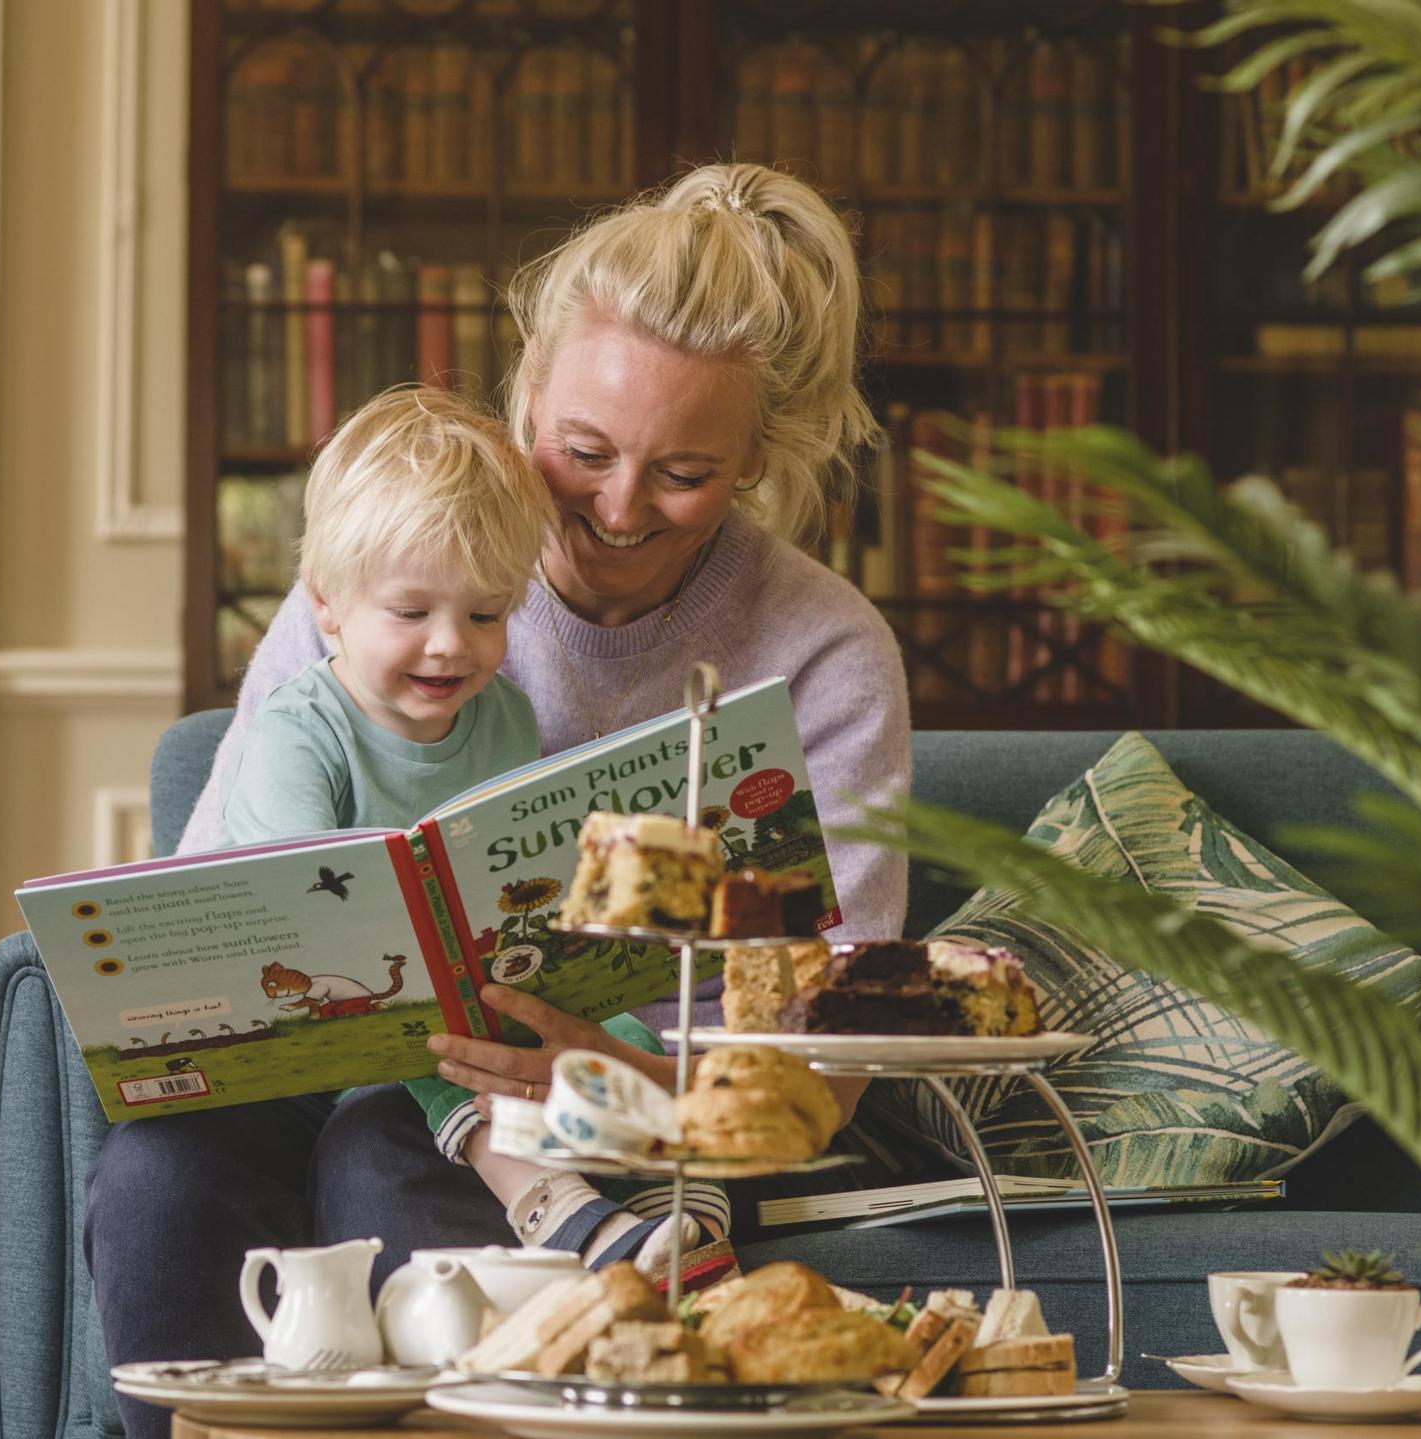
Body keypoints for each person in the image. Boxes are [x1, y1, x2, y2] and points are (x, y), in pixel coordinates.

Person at [87, 162, 912, 1438]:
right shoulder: (391, 563)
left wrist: (619, 1079)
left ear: (758, 457)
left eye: (684, 471)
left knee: (389, 1150)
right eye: (580, 451)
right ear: (524, 392)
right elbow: (218, 893)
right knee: (160, 1178)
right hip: (338, 1056)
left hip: (620, 1108)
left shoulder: (823, 649)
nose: (617, 506)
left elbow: (828, 1028)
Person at [207, 381, 732, 1292]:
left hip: (476, 990)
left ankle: (674, 1203)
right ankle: (557, 1210)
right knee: (439, 1032)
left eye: (487, 614)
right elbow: (285, 907)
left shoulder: (505, 718)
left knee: (608, 1028)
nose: (452, 646)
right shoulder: (301, 730)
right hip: (352, 1021)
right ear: (327, 604)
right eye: (412, 614)